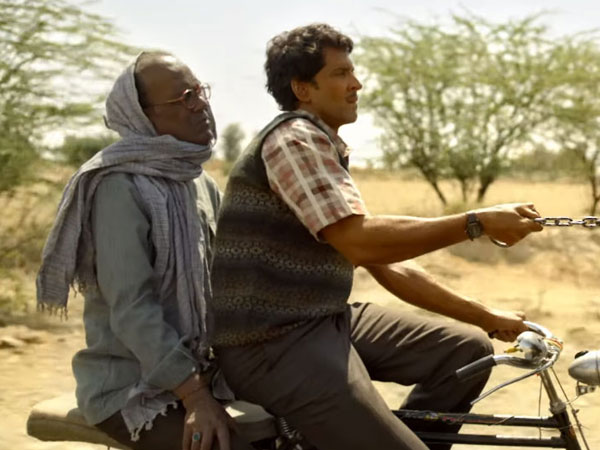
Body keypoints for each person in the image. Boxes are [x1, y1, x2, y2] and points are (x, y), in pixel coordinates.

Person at [209, 24, 543, 450]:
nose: (356, 84)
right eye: (340, 73)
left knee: (467, 350)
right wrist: (475, 222)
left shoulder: (323, 146)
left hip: (323, 321)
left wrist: (484, 316)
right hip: (272, 345)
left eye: (352, 71)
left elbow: (386, 261)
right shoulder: (294, 141)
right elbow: (360, 242)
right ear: (302, 88)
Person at [36, 52, 252, 450]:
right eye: (185, 98)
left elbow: (231, 277)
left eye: (200, 91)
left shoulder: (198, 181)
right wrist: (195, 396)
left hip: (203, 374)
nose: (201, 105)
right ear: (143, 117)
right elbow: (133, 309)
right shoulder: (118, 186)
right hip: (130, 388)